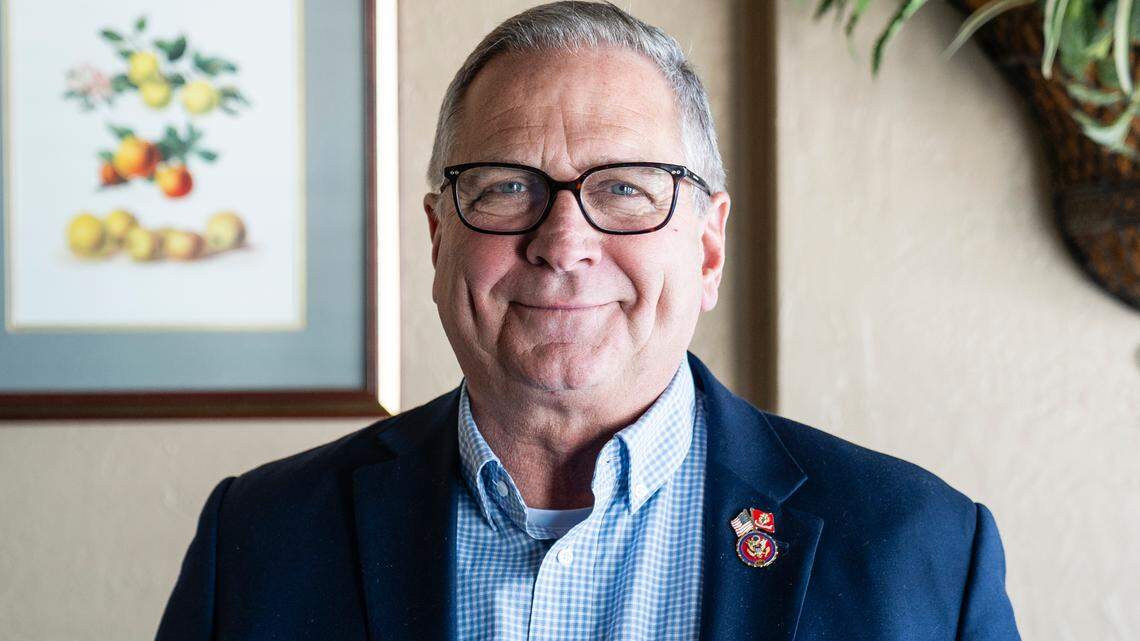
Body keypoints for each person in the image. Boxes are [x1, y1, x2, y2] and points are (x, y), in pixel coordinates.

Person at [156, 2, 1020, 640]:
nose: (563, 242)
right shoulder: (260, 539)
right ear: (436, 238)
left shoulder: (921, 552)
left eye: (625, 189)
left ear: (709, 247)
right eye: (505, 186)